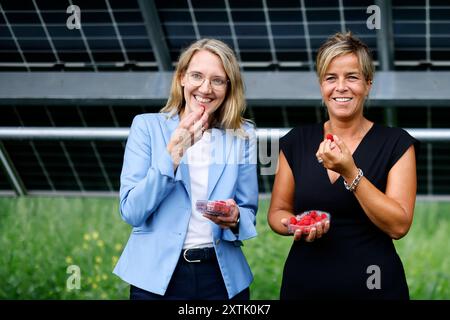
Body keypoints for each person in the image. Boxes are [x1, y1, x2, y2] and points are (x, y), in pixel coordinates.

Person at [268, 32, 419, 299]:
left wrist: (350, 172)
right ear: (321, 85)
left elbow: (398, 226)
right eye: (331, 78)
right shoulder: (295, 142)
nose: (341, 87)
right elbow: (277, 212)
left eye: (352, 77)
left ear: (368, 84)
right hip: (305, 286)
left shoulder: (396, 143)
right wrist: (296, 224)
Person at [113, 38, 258, 300]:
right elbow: (132, 212)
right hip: (155, 279)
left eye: (217, 80)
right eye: (196, 76)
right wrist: (174, 154)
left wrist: (235, 218)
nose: (205, 88)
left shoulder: (243, 135)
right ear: (181, 78)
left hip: (220, 278)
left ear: (228, 87)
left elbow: (248, 214)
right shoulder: (147, 127)